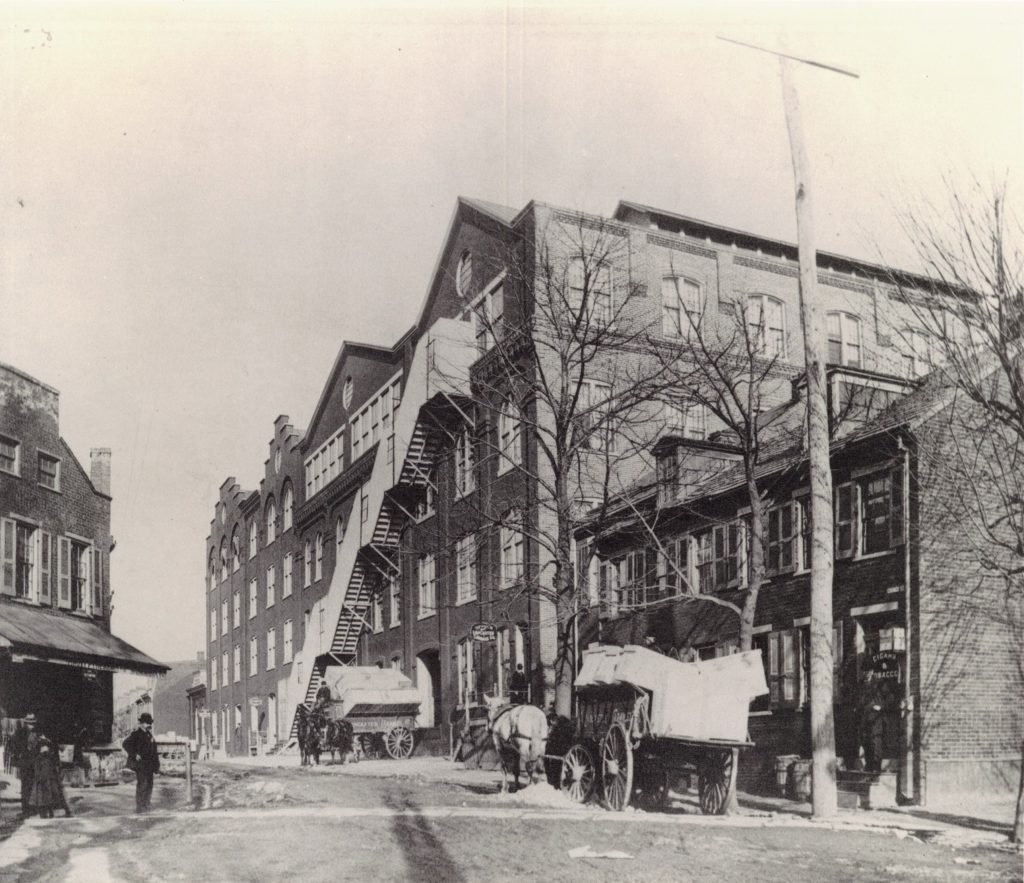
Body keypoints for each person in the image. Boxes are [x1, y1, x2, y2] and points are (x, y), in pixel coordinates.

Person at [122, 713, 160, 813]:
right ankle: (140, 807)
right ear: (142, 723)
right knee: (142, 785)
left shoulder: (149, 734)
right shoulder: (136, 734)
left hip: (150, 765)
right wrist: (134, 754)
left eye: (150, 723)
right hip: (141, 765)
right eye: (147, 723)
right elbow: (125, 744)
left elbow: (154, 751)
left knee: (149, 785)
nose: (149, 725)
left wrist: (156, 765)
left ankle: (147, 804)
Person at [29, 736, 63, 819]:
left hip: (44, 779)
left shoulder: (43, 758)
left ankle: (46, 812)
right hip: (45, 779)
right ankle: (46, 812)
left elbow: (39, 768)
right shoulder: (44, 758)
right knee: (46, 796)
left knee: (44, 797)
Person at [13, 714, 40, 817]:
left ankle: (30, 808)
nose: (32, 726)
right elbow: (15, 746)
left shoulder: (32, 733)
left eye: (33, 724)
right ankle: (26, 809)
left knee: (30, 786)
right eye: (31, 724)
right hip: (26, 763)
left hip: (31, 763)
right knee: (26, 787)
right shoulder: (21, 732)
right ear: (27, 723)